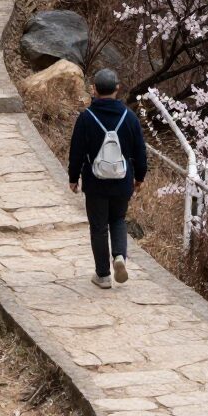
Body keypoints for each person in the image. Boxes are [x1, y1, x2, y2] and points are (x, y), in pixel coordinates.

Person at [67, 68, 147, 289]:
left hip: (95, 182)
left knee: (99, 227)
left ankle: (102, 275)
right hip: (122, 181)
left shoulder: (86, 118)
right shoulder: (129, 117)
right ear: (117, 88)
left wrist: (73, 178)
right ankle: (119, 256)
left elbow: (76, 151)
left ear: (94, 89)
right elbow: (140, 151)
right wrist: (139, 176)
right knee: (118, 219)